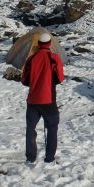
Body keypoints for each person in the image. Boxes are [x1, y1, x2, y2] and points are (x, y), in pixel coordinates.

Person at [21, 32, 64, 164]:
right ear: (50, 44)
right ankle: (49, 158)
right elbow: (60, 78)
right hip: (48, 100)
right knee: (52, 128)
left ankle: (30, 157)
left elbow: (24, 80)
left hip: (33, 100)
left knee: (30, 128)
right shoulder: (54, 58)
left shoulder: (31, 59)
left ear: (38, 44)